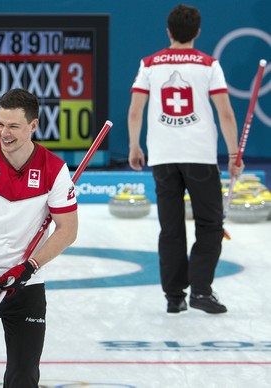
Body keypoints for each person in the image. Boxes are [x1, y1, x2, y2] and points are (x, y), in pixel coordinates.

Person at [0, 88, 78, 387]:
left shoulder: (54, 169)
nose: (3, 133)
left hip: (26, 286)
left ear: (33, 125)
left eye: (13, 126)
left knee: (24, 375)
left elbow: (68, 230)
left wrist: (30, 266)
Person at [127, 3, 244, 315]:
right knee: (209, 224)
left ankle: (174, 296)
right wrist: (234, 155)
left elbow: (136, 109)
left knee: (171, 227)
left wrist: (134, 146)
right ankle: (201, 291)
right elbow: (226, 114)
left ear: (168, 31)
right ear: (198, 32)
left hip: (163, 157)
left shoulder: (150, 63)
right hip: (200, 156)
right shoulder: (208, 65)